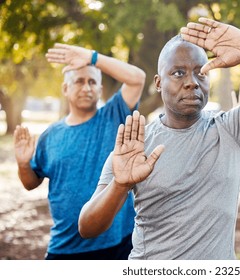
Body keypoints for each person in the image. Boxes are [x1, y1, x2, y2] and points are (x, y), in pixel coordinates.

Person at [78, 17, 240, 260]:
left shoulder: (232, 127)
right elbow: (87, 227)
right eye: (178, 73)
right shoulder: (135, 146)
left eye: (201, 73)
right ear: (158, 83)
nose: (192, 83)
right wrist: (120, 185)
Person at [13, 43, 146, 260]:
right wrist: (23, 164)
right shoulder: (51, 135)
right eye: (79, 81)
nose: (87, 87)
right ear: (65, 89)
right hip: (65, 247)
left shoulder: (113, 115)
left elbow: (137, 78)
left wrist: (92, 58)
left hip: (118, 244)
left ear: (100, 90)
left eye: (92, 81)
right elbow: (30, 183)